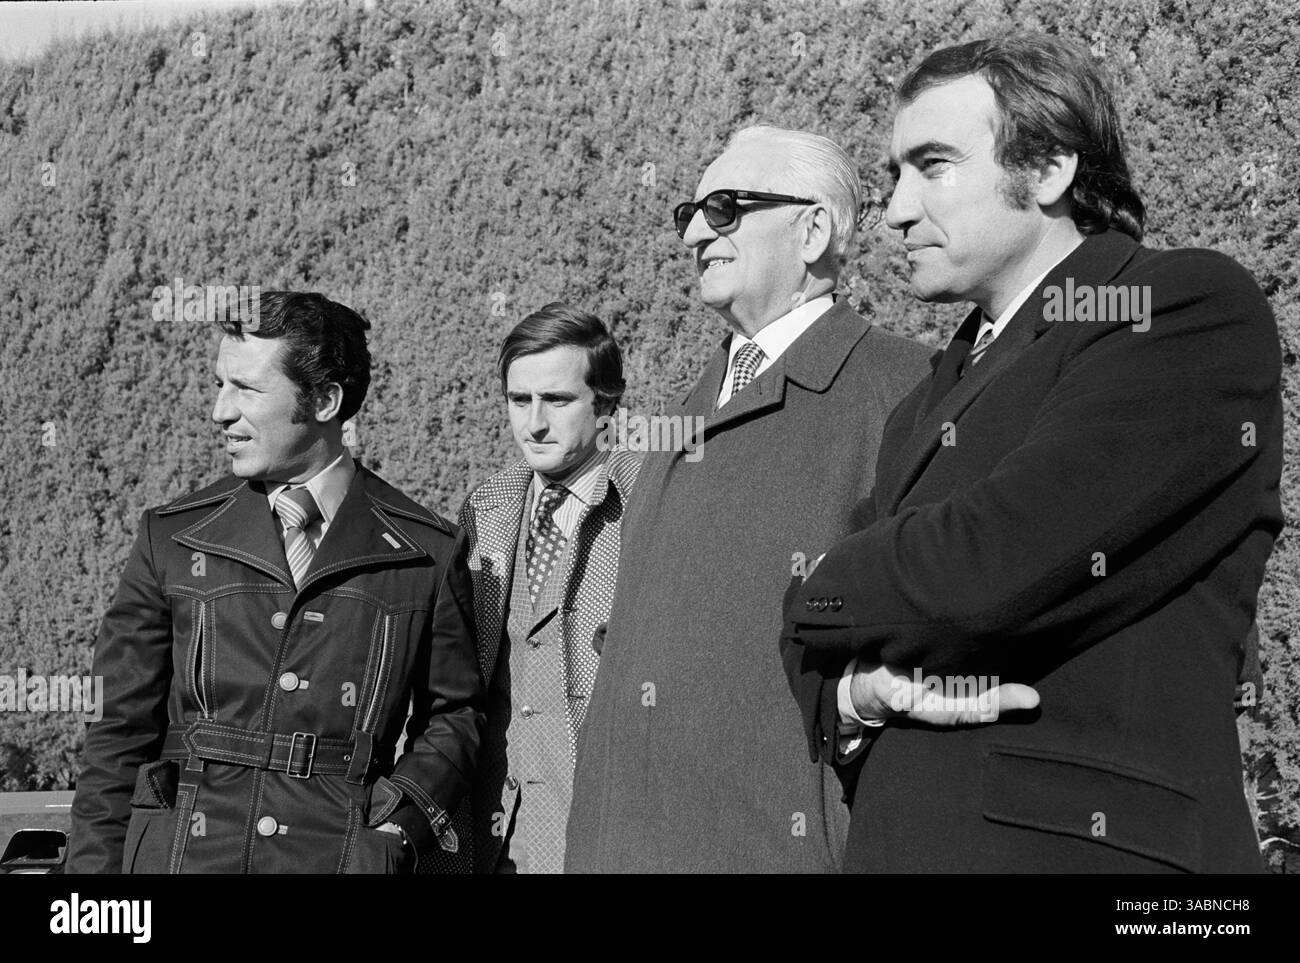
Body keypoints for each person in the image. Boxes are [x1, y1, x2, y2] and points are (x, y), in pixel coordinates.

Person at [783, 35, 1282, 873]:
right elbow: (822, 633)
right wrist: (856, 694)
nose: (897, 209)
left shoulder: (1182, 308)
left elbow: (990, 565)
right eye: (894, 174)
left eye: (931, 164)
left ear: (1048, 168)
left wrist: (821, 579)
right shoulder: (924, 400)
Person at [565, 126, 935, 873]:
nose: (698, 231)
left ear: (813, 229)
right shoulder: (680, 415)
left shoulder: (907, 390)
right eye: (690, 213)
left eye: (727, 208)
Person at [66, 291, 483, 873]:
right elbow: (117, 730)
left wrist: (399, 824)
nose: (219, 410)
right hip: (182, 858)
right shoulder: (173, 538)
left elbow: (456, 714)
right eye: (221, 383)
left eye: (247, 389)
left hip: (341, 861)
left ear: (325, 400)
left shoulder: (425, 552)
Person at [457, 303, 641, 873]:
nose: (534, 423)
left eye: (557, 401)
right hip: (490, 841)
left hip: (600, 838)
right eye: (519, 400)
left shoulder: (649, 504)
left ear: (605, 405)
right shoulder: (484, 510)